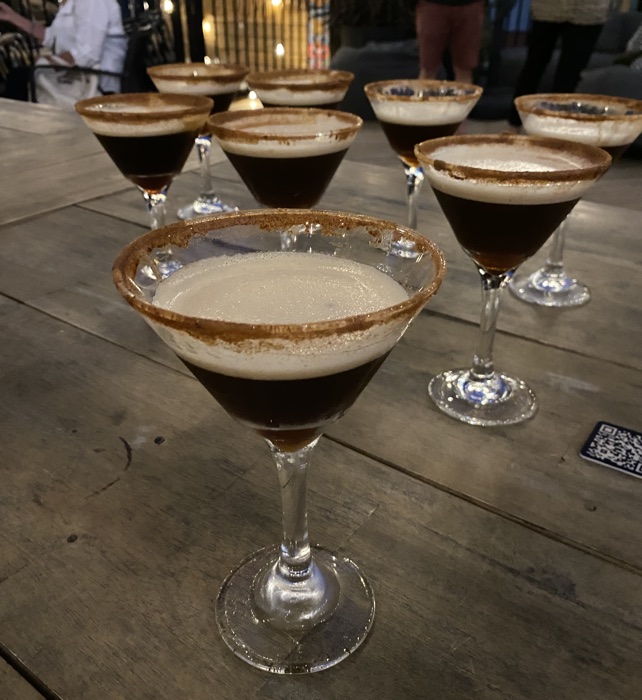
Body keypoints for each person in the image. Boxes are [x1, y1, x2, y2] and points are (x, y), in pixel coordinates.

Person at [508, 0, 612, 127]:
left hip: (588, 12)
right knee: (533, 67)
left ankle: (554, 129)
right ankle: (514, 123)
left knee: (569, 76)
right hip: (547, 9)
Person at [0, 0, 127, 103]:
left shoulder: (92, 2)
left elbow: (87, 54)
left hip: (92, 82)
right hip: (77, 74)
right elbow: (50, 36)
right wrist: (12, 17)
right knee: (18, 76)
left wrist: (51, 61)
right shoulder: (71, 3)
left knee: (17, 79)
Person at [415, 0, 486, 84]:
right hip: (431, 5)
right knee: (428, 69)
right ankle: (424, 96)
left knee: (464, 70)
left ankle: (464, 96)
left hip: (470, 6)